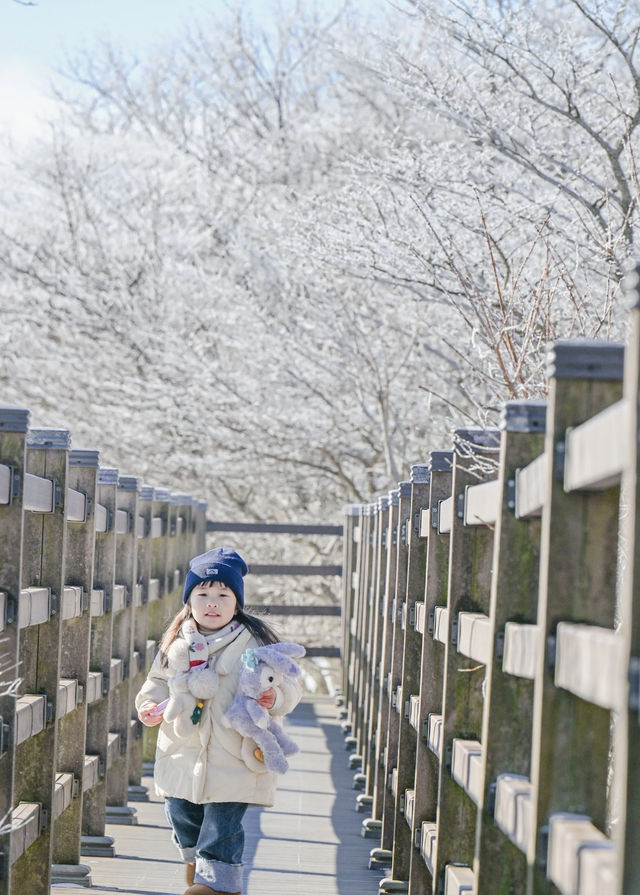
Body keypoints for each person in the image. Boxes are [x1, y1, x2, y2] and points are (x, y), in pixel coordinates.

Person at [136, 546, 303, 895]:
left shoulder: (255, 644)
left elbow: (288, 686)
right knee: (181, 813)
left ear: (237, 603)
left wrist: (276, 698)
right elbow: (157, 680)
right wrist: (149, 704)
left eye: (223, 595)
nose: (212, 602)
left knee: (223, 824)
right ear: (189, 602)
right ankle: (199, 866)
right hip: (184, 748)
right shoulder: (176, 642)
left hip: (235, 753)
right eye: (203, 593)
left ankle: (217, 886)